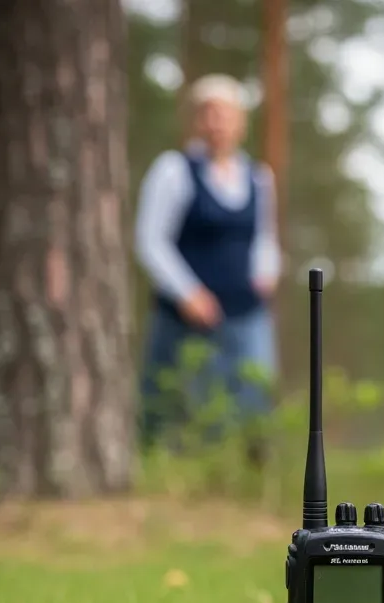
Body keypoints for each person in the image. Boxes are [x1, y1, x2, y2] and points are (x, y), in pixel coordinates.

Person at [134, 74, 281, 462]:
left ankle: (249, 480)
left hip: (246, 312)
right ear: (196, 121)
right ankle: (170, 477)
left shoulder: (259, 177)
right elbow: (150, 239)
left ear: (240, 121)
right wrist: (188, 293)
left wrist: (266, 274)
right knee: (175, 400)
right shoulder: (173, 170)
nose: (217, 122)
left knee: (253, 396)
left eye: (226, 114)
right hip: (184, 316)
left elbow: (265, 236)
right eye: (208, 114)